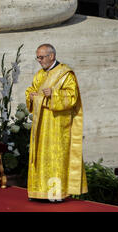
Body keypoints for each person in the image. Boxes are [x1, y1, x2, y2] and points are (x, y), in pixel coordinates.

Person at [25, 44, 88, 202]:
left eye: (42, 57)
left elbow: (72, 97)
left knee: (55, 158)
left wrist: (54, 93)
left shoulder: (66, 74)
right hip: (41, 124)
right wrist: (30, 96)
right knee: (40, 157)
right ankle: (38, 192)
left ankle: (56, 194)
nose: (39, 61)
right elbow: (31, 89)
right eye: (37, 57)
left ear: (51, 56)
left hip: (58, 125)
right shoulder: (40, 74)